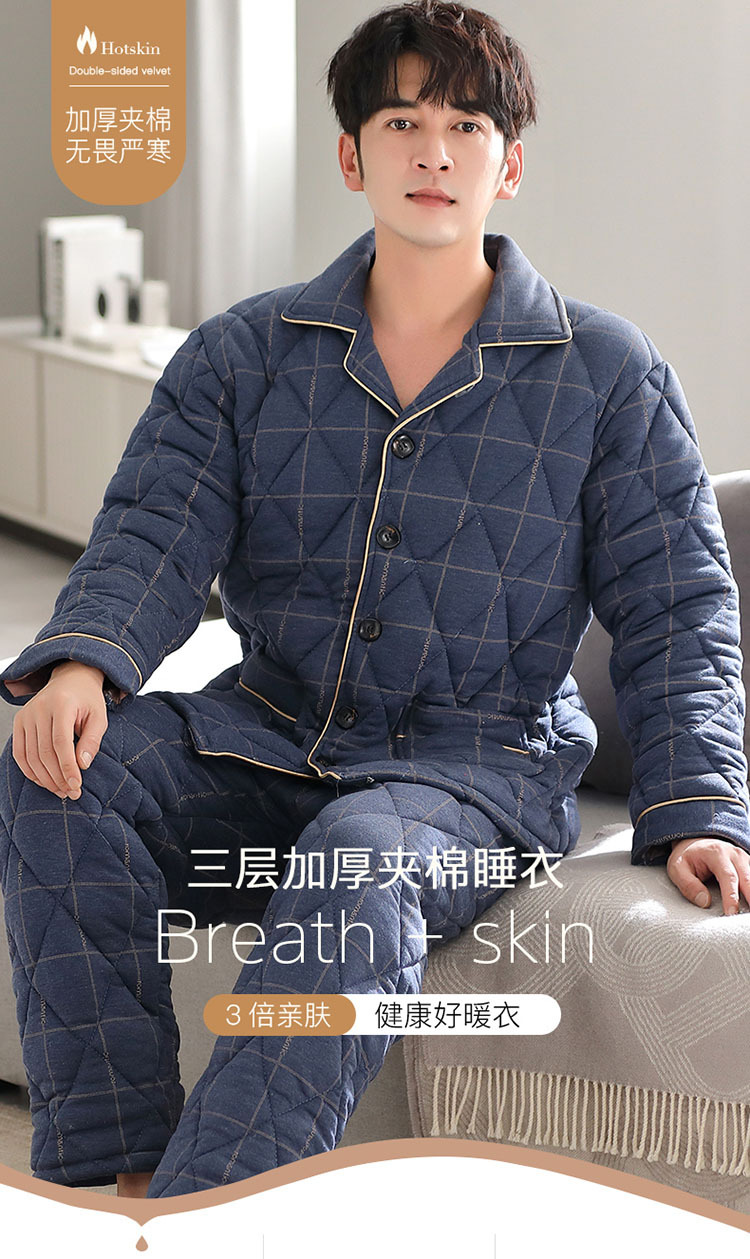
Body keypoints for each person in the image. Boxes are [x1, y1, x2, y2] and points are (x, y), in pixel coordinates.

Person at [1, 0, 749, 1200]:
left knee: (358, 859)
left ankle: (210, 1212)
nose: (433, 151)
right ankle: (117, 1178)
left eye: (466, 124)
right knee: (57, 772)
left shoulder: (607, 374)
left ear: (510, 163)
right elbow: (153, 528)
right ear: (353, 157)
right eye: (401, 122)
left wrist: (701, 803)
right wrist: (84, 662)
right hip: (268, 733)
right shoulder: (242, 356)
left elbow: (678, 607)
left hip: (476, 768)